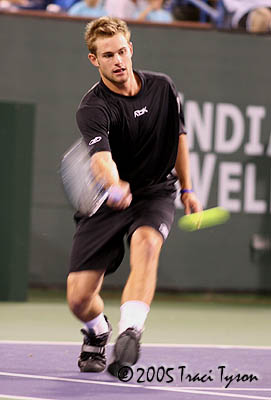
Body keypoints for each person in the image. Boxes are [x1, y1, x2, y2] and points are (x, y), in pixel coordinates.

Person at [67, 16, 201, 377]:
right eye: (108, 54)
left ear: (131, 48)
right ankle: (97, 332)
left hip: (155, 190)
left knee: (147, 243)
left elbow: (179, 138)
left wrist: (187, 188)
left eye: (122, 51)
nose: (118, 60)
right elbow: (101, 160)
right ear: (94, 59)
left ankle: (130, 330)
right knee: (78, 298)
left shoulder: (162, 87)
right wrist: (114, 185)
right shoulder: (93, 107)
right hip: (108, 199)